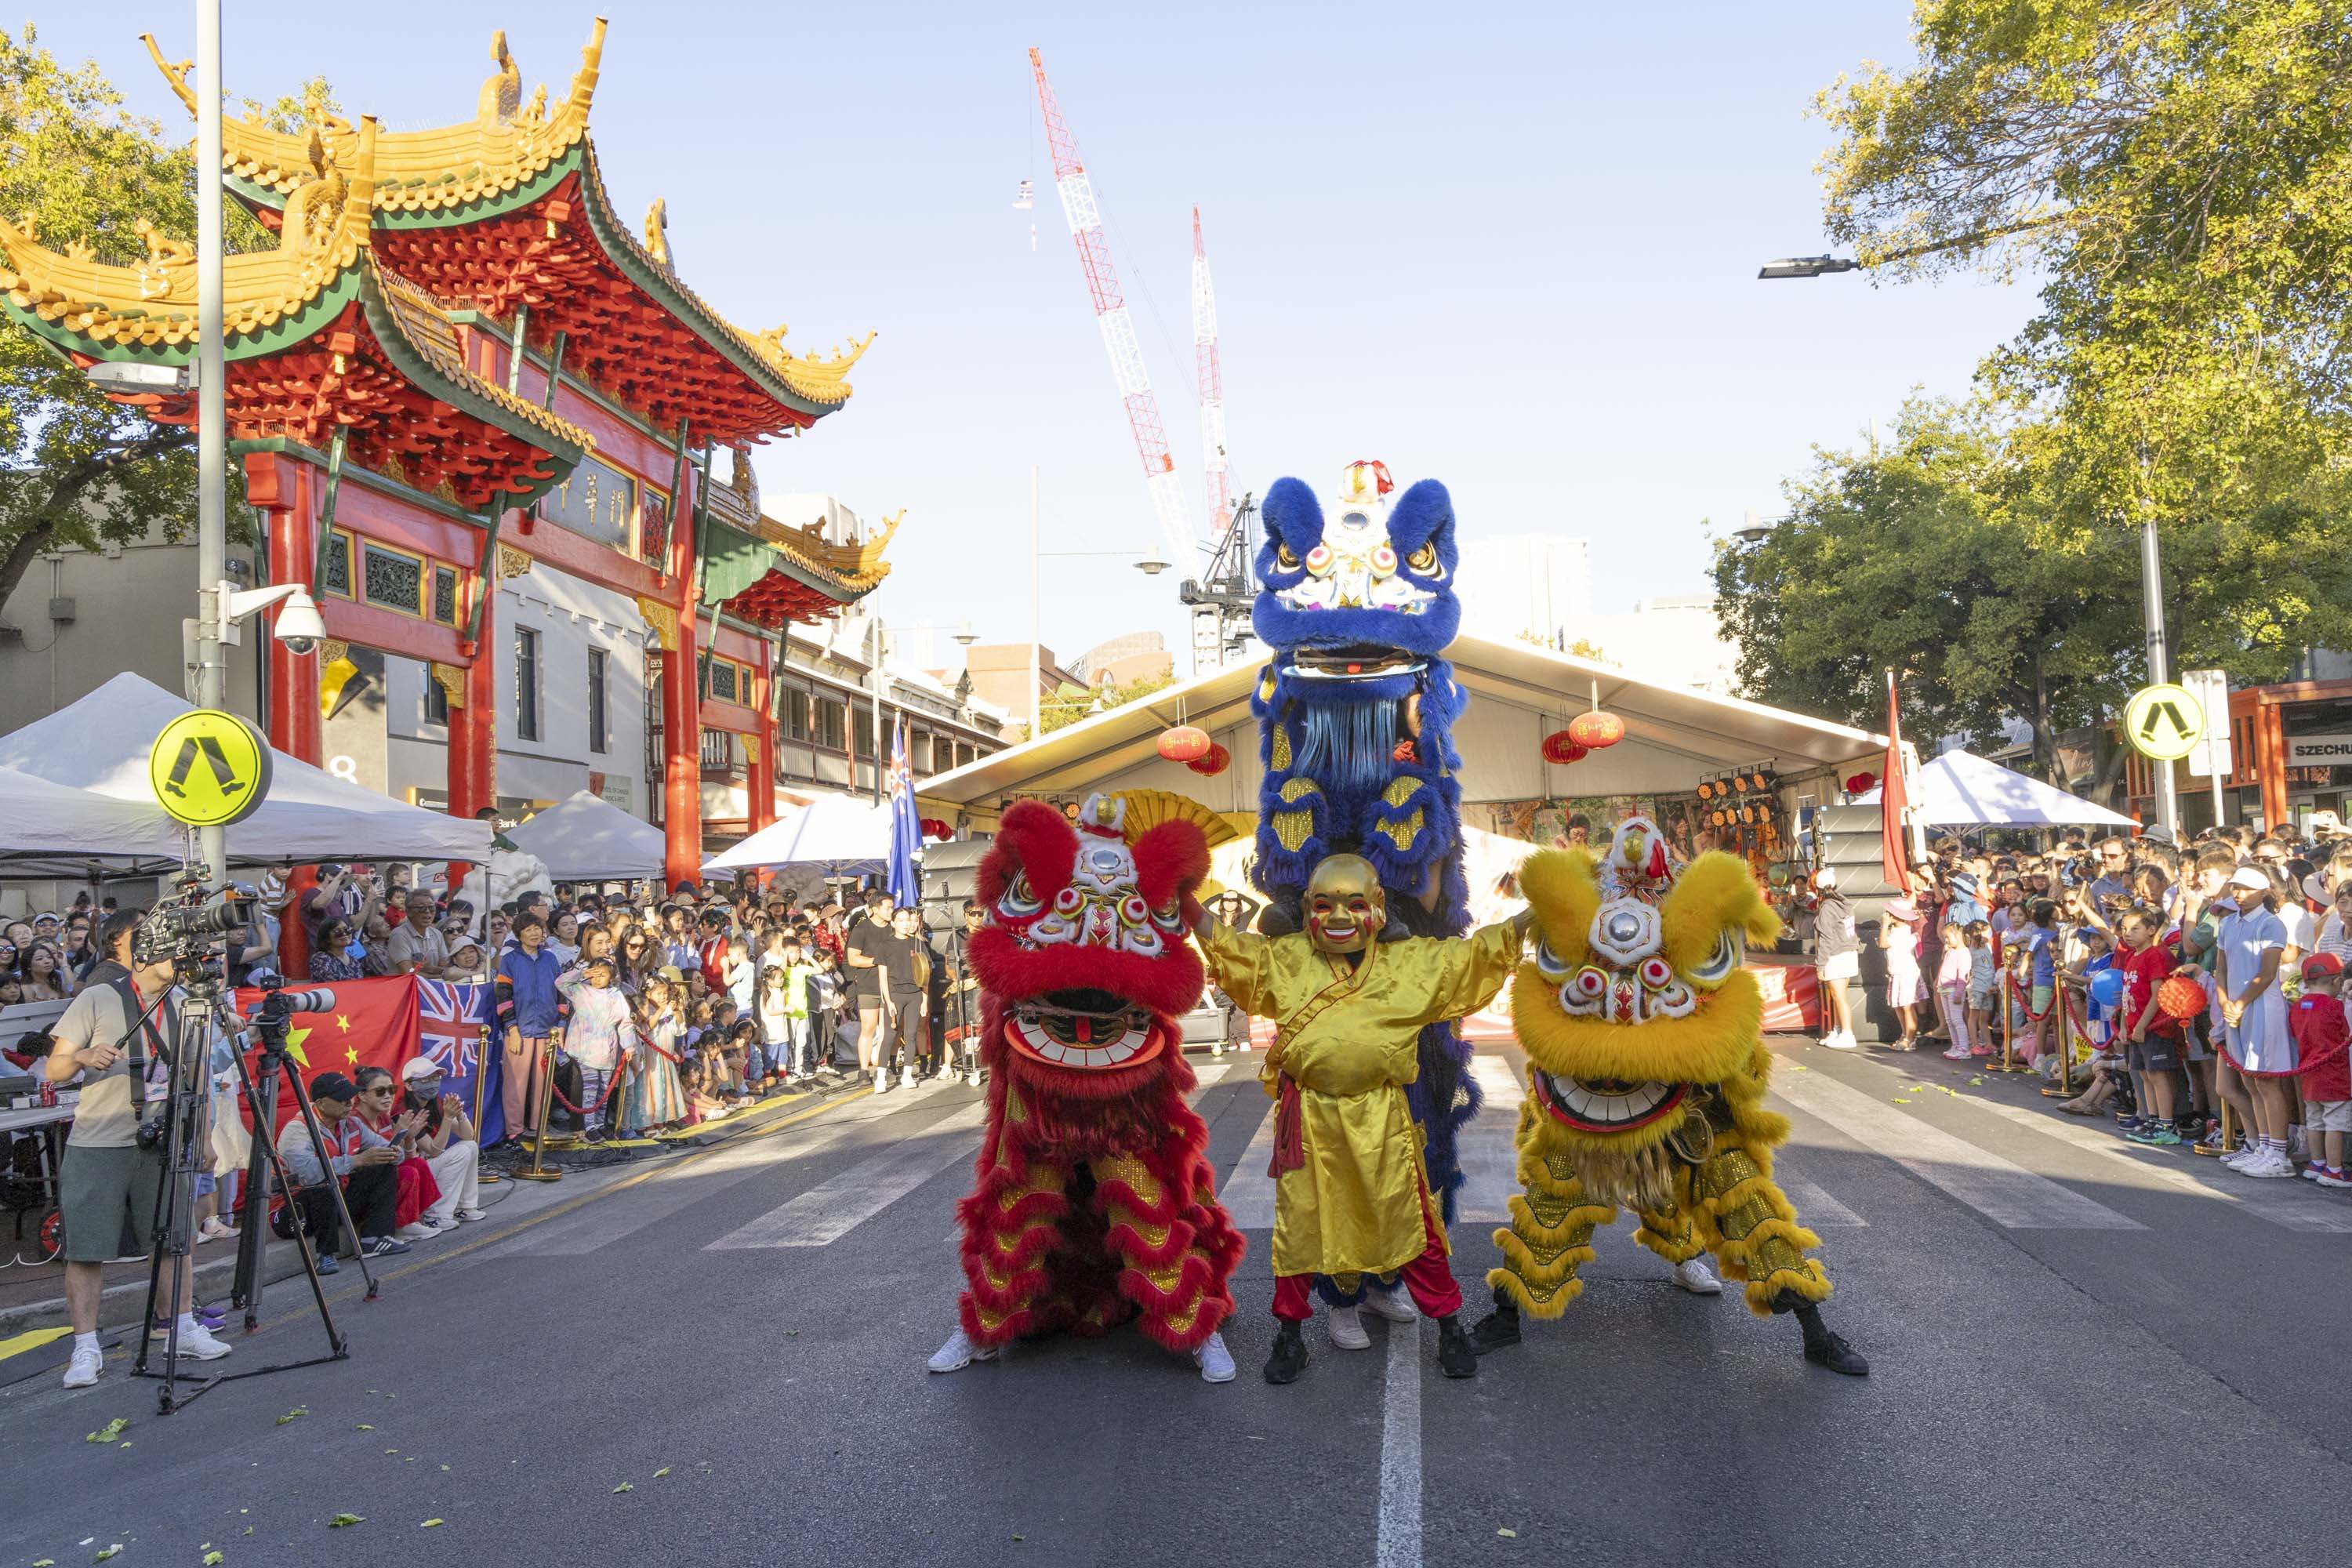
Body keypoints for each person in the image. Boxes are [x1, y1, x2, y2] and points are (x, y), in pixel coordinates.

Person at [1196, 853, 1528, 1384]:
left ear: (1377, 908)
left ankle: (1449, 1327)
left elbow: (1474, 955)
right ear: (1307, 911)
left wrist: (1535, 914)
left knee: (1413, 1227)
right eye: (1324, 905)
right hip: (1310, 1120)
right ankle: (1288, 1337)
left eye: (1354, 904)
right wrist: (1183, 901)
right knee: (1300, 1230)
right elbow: (1232, 948)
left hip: (1382, 1121)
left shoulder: (1408, 964)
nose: (1339, 918)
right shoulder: (1287, 959)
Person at [45, 909, 235, 1387]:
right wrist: (83, 1056)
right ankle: (85, 1348)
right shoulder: (97, 997)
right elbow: (54, 1069)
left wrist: (206, 1135)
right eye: (175, 951)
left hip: (163, 1140)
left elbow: (197, 1078)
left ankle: (182, 1328)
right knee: (86, 1250)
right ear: (148, 952)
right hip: (99, 1141)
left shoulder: (187, 1004)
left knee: (176, 1238)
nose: (183, 958)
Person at [273, 1070, 408, 1269]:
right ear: (320, 1104)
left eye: (350, 1097)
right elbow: (308, 1174)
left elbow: (390, 1151)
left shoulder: (351, 1123)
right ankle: (325, 1255)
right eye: (341, 1099)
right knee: (324, 1182)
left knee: (383, 1165)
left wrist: (393, 1153)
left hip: (336, 1201)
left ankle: (374, 1239)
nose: (349, 1103)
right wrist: (357, 1160)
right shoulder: (298, 1130)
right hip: (293, 1211)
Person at [2216, 867, 2296, 1177]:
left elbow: (2267, 973)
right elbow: (2221, 970)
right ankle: (2263, 1147)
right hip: (2235, 1009)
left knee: (2266, 1079)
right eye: (2236, 887)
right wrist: (2225, 1002)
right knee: (2249, 1079)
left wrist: (2239, 1002)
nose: (2239, 893)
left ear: (2264, 892)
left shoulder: (2271, 923)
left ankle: (2279, 1153)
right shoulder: (2227, 924)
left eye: (2247, 888)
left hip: (2263, 1008)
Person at [494, 911, 568, 1145]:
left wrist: (561, 1025)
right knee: (515, 1084)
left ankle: (538, 1126)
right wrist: (512, 1028)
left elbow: (562, 994)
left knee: (542, 1084)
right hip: (520, 1032)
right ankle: (515, 1130)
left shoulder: (550, 959)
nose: (535, 933)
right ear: (519, 934)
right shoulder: (510, 960)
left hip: (547, 1031)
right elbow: (503, 996)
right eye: (529, 930)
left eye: (538, 928)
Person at [353, 1065, 445, 1240]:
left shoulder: (383, 1117)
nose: (388, 1096)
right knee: (408, 1171)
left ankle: (416, 1220)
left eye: (391, 1089)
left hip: (384, 1176)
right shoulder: (354, 1120)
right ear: (362, 1095)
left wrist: (409, 1138)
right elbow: (381, 1160)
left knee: (417, 1164)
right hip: (361, 1185)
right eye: (380, 1091)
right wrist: (398, 1134)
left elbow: (406, 1157)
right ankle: (403, 1225)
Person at [396, 1054, 485, 1225]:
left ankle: (464, 1208)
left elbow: (468, 1136)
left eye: (436, 1078)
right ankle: (436, 1215)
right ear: (408, 1085)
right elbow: (434, 1150)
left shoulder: (433, 1103)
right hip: (412, 1174)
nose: (433, 1083)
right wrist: (447, 1118)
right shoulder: (404, 1111)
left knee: (470, 1146)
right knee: (460, 1153)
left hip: (427, 1167)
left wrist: (459, 1115)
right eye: (425, 1080)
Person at [557, 953, 631, 1142]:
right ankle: (588, 1125)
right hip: (585, 1048)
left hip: (607, 1048)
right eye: (595, 974)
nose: (598, 979)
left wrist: (629, 1046)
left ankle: (600, 1123)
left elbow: (625, 1022)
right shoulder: (580, 990)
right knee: (589, 1089)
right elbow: (560, 982)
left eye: (603, 975)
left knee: (604, 1089)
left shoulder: (615, 995)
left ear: (611, 977)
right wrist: (582, 973)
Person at [2291, 954, 2349, 1188]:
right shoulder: (2336, 1006)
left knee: (2315, 1121)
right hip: (2334, 1074)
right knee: (2335, 1123)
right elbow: (2346, 1034)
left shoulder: (2298, 1007)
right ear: (2337, 981)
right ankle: (2334, 1170)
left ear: (2306, 983)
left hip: (2309, 1073)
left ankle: (2317, 1164)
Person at [1812, 869, 1859, 1050]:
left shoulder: (1827, 908)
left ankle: (1847, 1034)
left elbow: (1826, 938)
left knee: (1839, 996)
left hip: (1836, 954)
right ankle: (1838, 1030)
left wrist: (1820, 965)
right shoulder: (1844, 903)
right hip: (1848, 952)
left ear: (1817, 889)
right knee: (1838, 995)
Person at [1879, 898, 1925, 1049]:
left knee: (1907, 1006)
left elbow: (1883, 943)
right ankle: (1905, 1034)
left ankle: (1910, 1038)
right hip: (1897, 972)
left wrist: (1884, 926)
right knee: (1898, 1006)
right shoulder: (1897, 930)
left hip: (1906, 972)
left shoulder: (1904, 932)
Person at [388, 891, 448, 978]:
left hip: (433, 988)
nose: (427, 912)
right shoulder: (399, 936)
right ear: (409, 912)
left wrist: (431, 969)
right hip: (406, 988)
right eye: (421, 908)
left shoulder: (437, 934)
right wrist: (440, 975)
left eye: (431, 907)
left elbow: (444, 967)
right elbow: (408, 973)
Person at [309, 916, 368, 982]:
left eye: (347, 930)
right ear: (327, 938)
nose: (344, 934)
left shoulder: (354, 960)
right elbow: (330, 984)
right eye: (337, 931)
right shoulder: (320, 959)